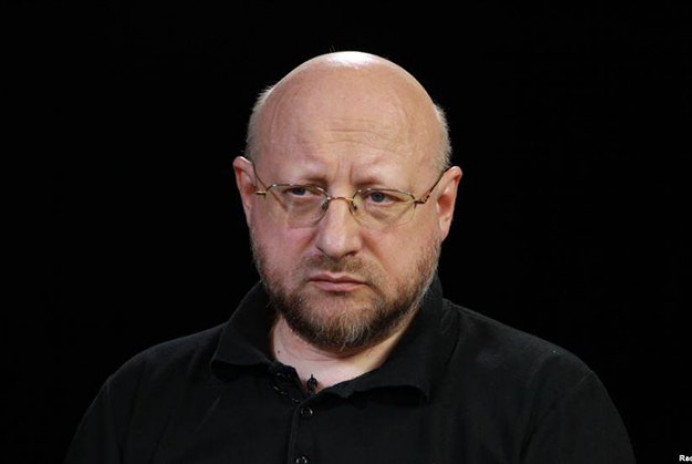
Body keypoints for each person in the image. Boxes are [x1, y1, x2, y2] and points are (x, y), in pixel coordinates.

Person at [65, 51, 635, 464]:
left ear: (442, 206)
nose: (336, 240)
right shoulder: (140, 400)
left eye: (379, 197)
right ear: (249, 195)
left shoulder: (547, 405)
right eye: (301, 191)